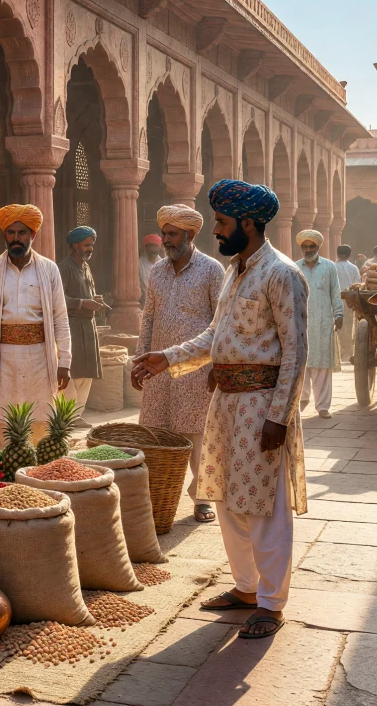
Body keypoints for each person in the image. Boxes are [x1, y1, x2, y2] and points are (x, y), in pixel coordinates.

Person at [133, 179, 308, 640]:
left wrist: (279, 417)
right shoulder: (234, 272)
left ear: (248, 224)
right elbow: (214, 337)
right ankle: (247, 589)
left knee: (264, 507)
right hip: (225, 402)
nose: (215, 230)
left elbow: (295, 352)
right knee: (229, 500)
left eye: (222, 222)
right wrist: (164, 358)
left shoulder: (281, 273)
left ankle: (272, 603)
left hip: (261, 406)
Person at [134, 205, 223, 524]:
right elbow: (148, 316)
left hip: (196, 368)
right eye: (165, 234)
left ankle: (201, 498)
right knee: (155, 431)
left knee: (197, 434)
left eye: (172, 234)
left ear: (191, 234)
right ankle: (155, 496)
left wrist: (217, 365)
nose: (166, 240)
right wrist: (139, 358)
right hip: (157, 367)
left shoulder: (212, 270)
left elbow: (220, 321)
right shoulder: (157, 271)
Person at [0, 204, 71, 452]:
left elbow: (60, 317)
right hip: (0, 358)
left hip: (39, 358)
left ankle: (36, 479)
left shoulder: (49, 270)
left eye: (22, 232)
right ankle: (2, 482)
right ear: (5, 235)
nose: (16, 238)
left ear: (33, 235)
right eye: (11, 232)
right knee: (1, 422)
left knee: (39, 420)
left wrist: (65, 361)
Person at [61, 226, 107, 423]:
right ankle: (67, 416)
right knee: (73, 372)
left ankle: (78, 415)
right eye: (86, 245)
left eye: (92, 246)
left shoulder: (86, 268)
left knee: (87, 372)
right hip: (72, 326)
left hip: (88, 326)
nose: (90, 249)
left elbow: (87, 293)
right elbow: (57, 298)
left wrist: (94, 299)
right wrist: (82, 303)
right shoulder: (63, 268)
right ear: (74, 245)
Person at [297, 230, 342, 419]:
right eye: (305, 246)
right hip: (300, 322)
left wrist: (338, 313)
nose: (308, 249)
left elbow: (335, 291)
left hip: (323, 322)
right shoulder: (295, 267)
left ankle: (323, 406)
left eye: (312, 246)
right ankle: (302, 399)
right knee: (301, 364)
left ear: (318, 247)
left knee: (323, 366)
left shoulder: (330, 267)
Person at [333, 245, 359, 362]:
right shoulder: (353, 268)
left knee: (334, 326)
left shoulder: (331, 267)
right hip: (349, 301)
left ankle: (336, 352)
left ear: (337, 254)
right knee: (347, 326)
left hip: (333, 300)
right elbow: (357, 285)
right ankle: (347, 353)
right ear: (349, 255)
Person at [139, 233, 163, 304]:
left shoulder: (163, 265)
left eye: (156, 247)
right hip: (143, 303)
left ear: (159, 248)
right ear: (146, 248)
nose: (153, 250)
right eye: (151, 246)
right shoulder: (139, 264)